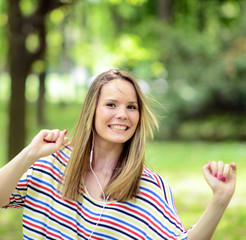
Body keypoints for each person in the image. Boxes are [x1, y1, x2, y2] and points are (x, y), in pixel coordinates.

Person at [0, 69, 236, 240]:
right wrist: (30, 153)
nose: (122, 114)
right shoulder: (53, 165)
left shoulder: (149, 187)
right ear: (91, 110)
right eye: (111, 105)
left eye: (131, 107)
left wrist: (220, 200)